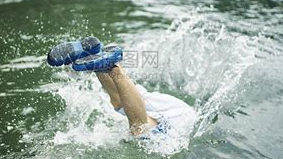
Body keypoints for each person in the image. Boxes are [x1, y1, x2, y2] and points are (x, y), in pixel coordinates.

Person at [47, 37, 196, 137]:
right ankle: (112, 65)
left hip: (180, 113)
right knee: (139, 129)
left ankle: (99, 56)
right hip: (180, 122)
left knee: (120, 103)